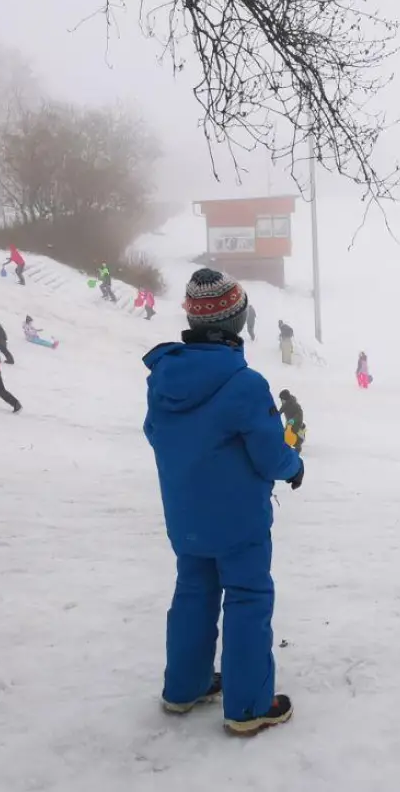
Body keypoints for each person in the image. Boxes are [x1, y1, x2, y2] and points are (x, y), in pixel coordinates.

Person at [143, 268, 302, 736]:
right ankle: (248, 707)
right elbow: (271, 453)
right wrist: (294, 468)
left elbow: (154, 434)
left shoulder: (163, 377)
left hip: (185, 515)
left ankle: (185, 688)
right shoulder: (244, 383)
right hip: (239, 522)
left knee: (193, 592)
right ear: (237, 322)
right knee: (248, 598)